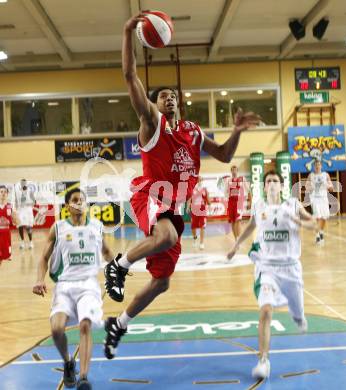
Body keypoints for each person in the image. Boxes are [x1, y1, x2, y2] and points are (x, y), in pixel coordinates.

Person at [103, 13, 261, 360]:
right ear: (155, 106)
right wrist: (128, 30)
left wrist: (235, 132)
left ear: (180, 101)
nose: (169, 99)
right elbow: (130, 76)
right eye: (162, 97)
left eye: (173, 96)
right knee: (169, 237)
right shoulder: (151, 123)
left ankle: (121, 324)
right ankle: (118, 265)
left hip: (174, 207)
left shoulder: (192, 130)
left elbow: (221, 155)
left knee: (162, 281)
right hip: (149, 194)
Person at [227, 170, 316, 379]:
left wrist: (300, 222)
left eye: (276, 180)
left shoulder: (293, 204)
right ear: (264, 186)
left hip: (291, 267)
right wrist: (236, 245)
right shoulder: (259, 206)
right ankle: (264, 361)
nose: (272, 184)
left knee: (297, 311)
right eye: (269, 181)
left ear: (282, 185)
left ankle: (298, 315)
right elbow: (250, 227)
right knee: (266, 310)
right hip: (268, 269)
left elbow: (314, 223)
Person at [32, 188, 115, 389]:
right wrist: (39, 280)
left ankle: (84, 377)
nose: (79, 202)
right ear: (68, 206)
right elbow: (44, 257)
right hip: (64, 285)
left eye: (82, 200)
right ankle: (69, 362)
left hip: (88, 284)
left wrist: (116, 273)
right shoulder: (58, 228)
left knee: (85, 324)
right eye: (75, 200)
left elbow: (105, 251)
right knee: (56, 329)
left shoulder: (96, 226)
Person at [306, 159, 333, 245]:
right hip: (315, 198)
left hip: (324, 198)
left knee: (324, 217)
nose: (317, 166)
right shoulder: (311, 175)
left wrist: (327, 185)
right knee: (317, 216)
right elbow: (307, 187)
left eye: (319, 165)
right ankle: (317, 236)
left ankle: (321, 231)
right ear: (314, 166)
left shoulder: (326, 175)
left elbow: (331, 188)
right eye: (316, 165)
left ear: (321, 166)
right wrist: (311, 188)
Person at [226, 165, 250, 240]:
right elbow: (226, 192)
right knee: (233, 221)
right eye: (232, 170)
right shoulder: (228, 180)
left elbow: (248, 190)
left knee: (238, 220)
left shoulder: (242, 179)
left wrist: (249, 201)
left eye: (235, 170)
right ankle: (236, 238)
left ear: (237, 171)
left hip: (239, 202)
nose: (234, 171)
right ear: (231, 171)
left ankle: (238, 238)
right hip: (231, 202)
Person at [187, 176, 210, 250]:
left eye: (201, 179)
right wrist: (187, 207)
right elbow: (189, 199)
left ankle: (201, 243)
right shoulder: (192, 188)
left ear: (202, 180)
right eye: (198, 179)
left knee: (202, 226)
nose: (199, 180)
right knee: (193, 226)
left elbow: (208, 201)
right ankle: (194, 238)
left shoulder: (205, 189)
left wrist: (209, 201)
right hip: (194, 208)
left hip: (202, 208)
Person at [15, 179, 36, 250]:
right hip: (20, 210)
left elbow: (34, 202)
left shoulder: (30, 191)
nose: (22, 184)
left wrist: (28, 203)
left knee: (28, 227)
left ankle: (31, 242)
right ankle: (22, 242)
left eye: (24, 183)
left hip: (28, 210)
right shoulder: (18, 192)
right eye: (21, 183)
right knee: (20, 226)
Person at [0, 185, 18, 264]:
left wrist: (15, 218)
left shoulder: (10, 206)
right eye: (1, 192)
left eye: (5, 192)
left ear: (7, 194)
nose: (3, 194)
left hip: (6, 233)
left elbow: (16, 222)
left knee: (4, 257)